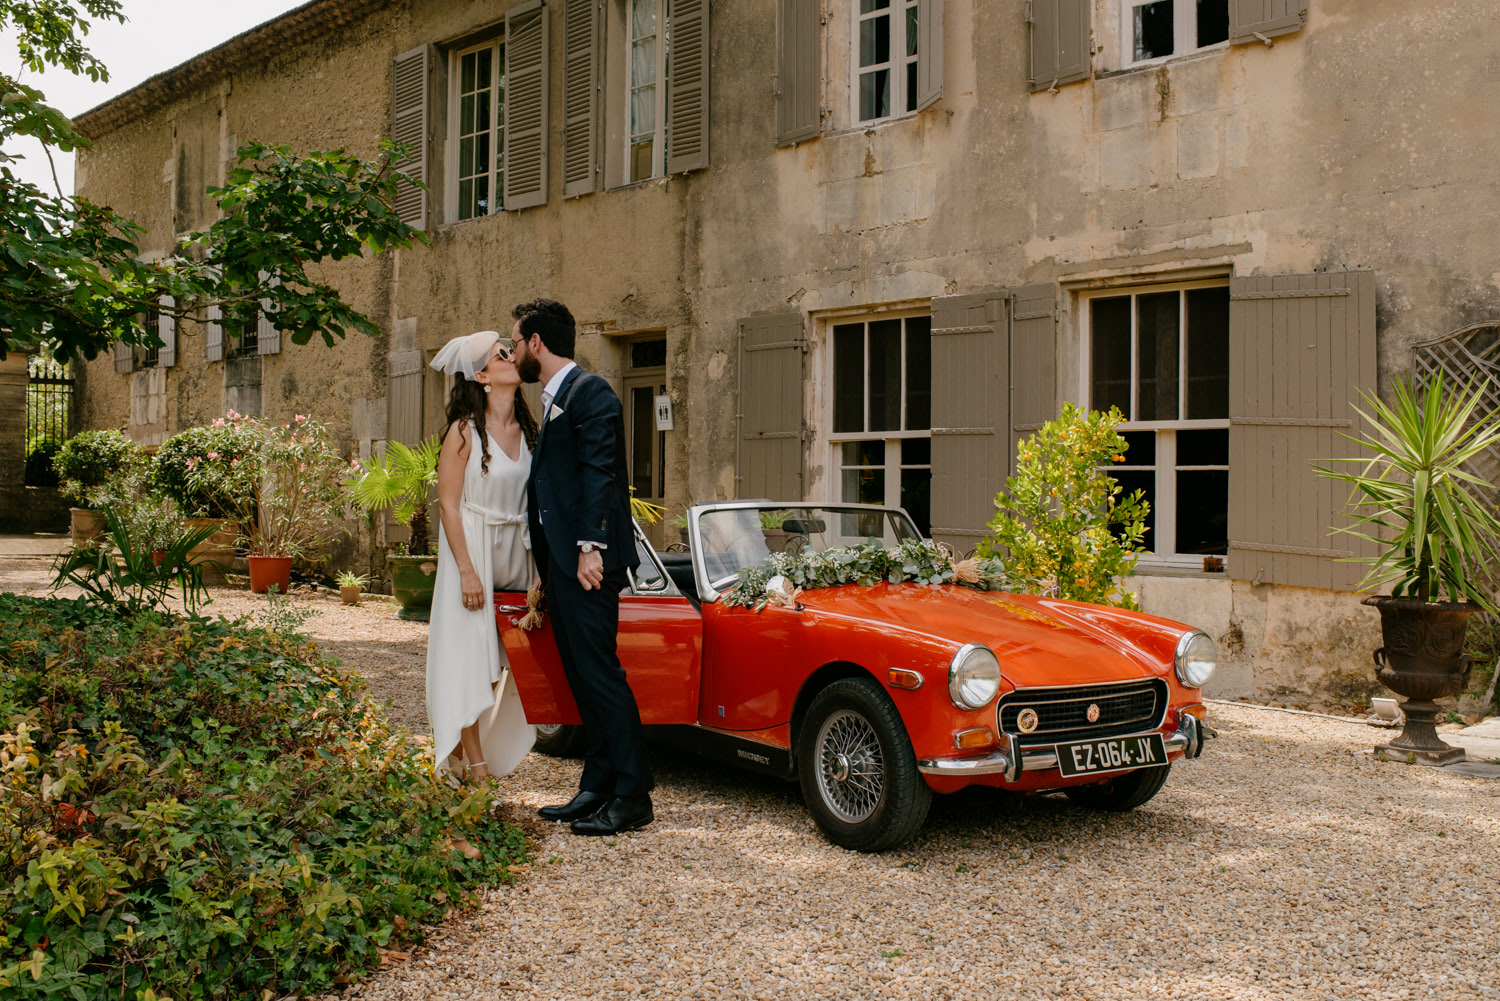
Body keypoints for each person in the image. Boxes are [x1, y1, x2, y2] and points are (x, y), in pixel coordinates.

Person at [511, 298, 654, 836]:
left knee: (600, 675)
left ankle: (634, 794)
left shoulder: (589, 391)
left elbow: (601, 471)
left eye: (517, 340)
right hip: (564, 566)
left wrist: (590, 546)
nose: (514, 350)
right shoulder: (555, 400)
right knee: (580, 677)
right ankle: (597, 784)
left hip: (590, 563)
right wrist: (546, 566)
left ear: (537, 344)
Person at [425, 330, 539, 783]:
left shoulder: (530, 431)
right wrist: (467, 571)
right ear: (482, 375)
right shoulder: (462, 432)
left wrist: (537, 571)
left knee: (501, 664)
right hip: (472, 552)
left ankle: (466, 748)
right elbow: (449, 504)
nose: (512, 356)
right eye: (501, 353)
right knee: (472, 658)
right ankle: (475, 764)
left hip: (515, 552)